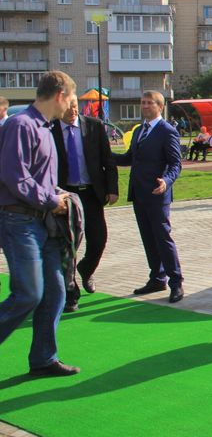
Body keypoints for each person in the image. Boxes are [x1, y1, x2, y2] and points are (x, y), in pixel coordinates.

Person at [0, 71, 80, 377]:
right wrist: (51, 199)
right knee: (28, 294)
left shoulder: (46, 129)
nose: (71, 107)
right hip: (19, 221)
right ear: (60, 95)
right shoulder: (20, 125)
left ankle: (44, 358)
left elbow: (38, 179)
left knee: (55, 293)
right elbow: (14, 176)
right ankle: (44, 357)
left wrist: (57, 196)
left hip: (43, 223)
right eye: (71, 99)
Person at [114, 91, 185, 304]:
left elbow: (175, 163)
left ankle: (176, 282)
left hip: (157, 193)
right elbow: (129, 158)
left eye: (148, 103)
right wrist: (102, 154)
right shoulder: (139, 130)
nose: (144, 106)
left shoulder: (167, 131)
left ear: (160, 106)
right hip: (139, 192)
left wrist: (166, 181)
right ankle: (157, 277)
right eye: (142, 103)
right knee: (147, 237)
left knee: (162, 237)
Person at [52, 94, 118, 312]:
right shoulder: (50, 130)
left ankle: (86, 269)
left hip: (91, 193)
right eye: (68, 107)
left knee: (99, 239)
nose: (73, 111)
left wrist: (112, 188)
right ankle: (71, 294)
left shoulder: (94, 126)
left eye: (75, 106)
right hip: (65, 196)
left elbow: (107, 159)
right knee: (68, 246)